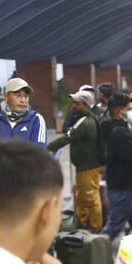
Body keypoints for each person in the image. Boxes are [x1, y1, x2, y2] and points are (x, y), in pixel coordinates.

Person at [47, 89, 103, 231]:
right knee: (83, 198)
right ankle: (83, 225)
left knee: (91, 199)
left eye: (76, 104)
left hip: (88, 168)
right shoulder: (86, 120)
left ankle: (97, 229)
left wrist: (46, 147)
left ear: (85, 105)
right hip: (85, 167)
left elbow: (67, 137)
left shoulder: (85, 123)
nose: (73, 106)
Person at [100, 93, 132, 241]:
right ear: (119, 112)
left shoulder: (124, 128)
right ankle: (94, 253)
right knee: (113, 228)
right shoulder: (119, 133)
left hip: (128, 188)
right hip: (123, 189)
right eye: (129, 109)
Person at [0, 77, 46, 146]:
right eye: (18, 95)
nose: (23, 100)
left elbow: (39, 152)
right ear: (6, 96)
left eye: (26, 96)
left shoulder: (36, 119)